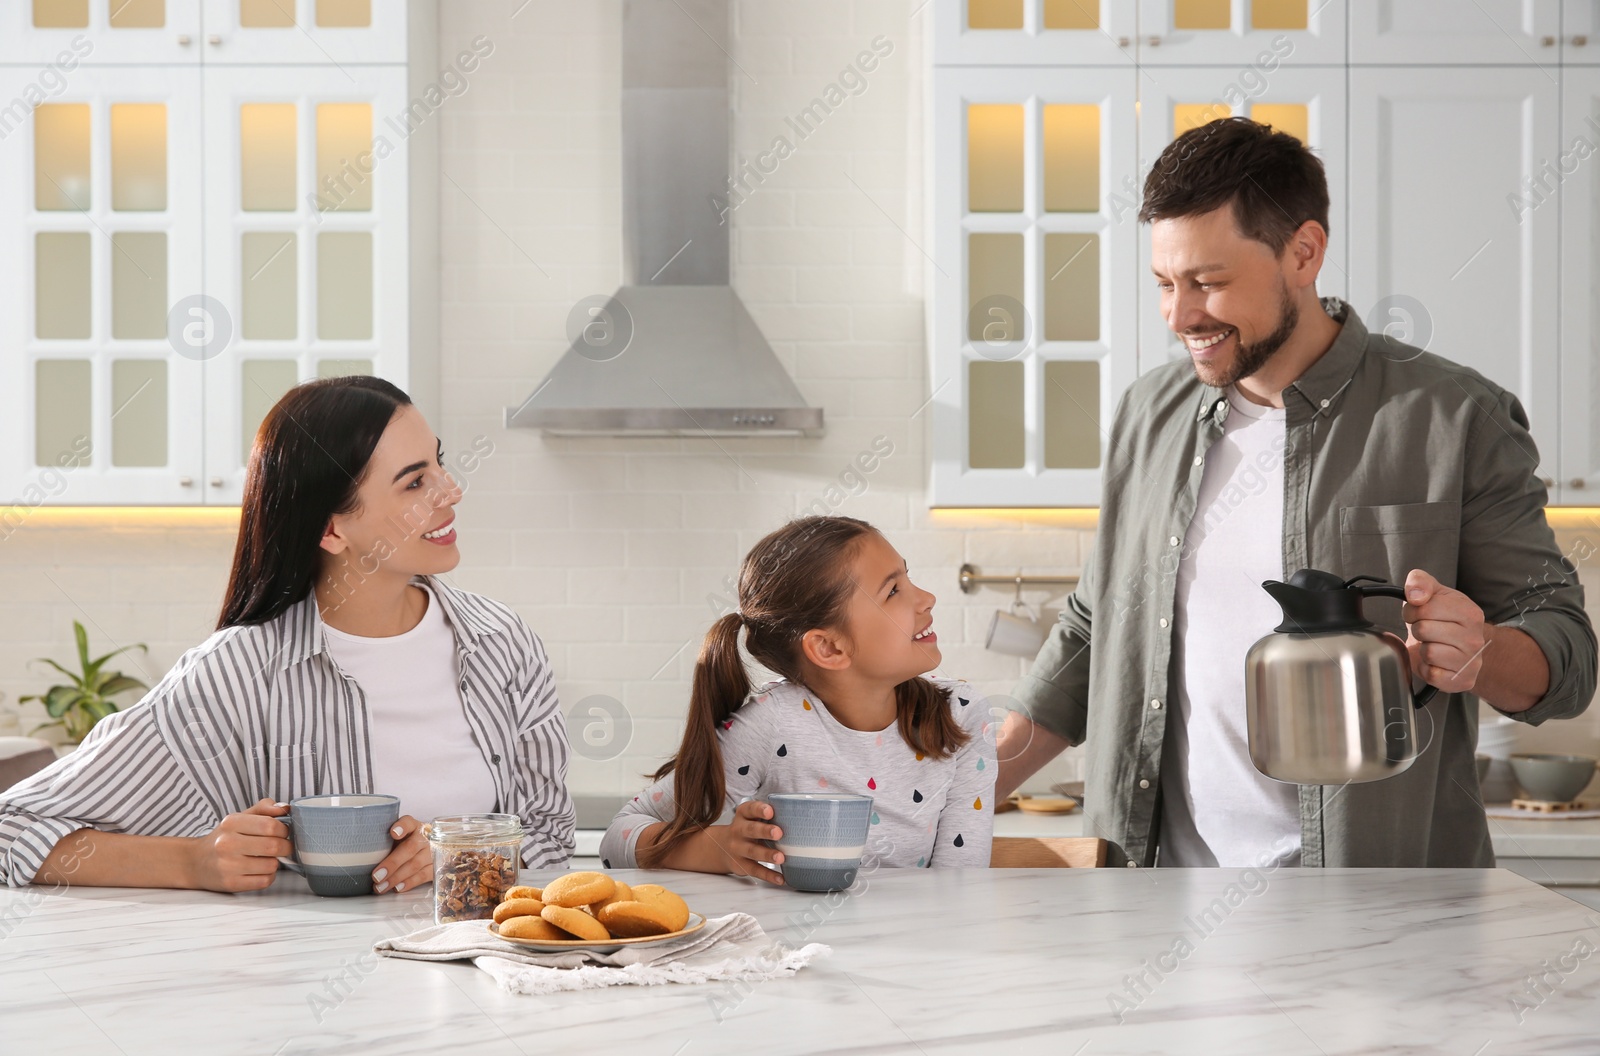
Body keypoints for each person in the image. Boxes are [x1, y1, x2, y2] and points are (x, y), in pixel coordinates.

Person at [995, 118, 1596, 869]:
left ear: (1303, 253)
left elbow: (1567, 650)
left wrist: (1485, 654)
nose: (1180, 316)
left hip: (1372, 912)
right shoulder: (1148, 413)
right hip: (1153, 907)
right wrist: (947, 793)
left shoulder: (1452, 416)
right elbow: (1094, 631)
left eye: (1209, 283)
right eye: (1165, 284)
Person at [0, 377, 575, 891]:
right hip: (297, 993)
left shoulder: (502, 642)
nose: (450, 491)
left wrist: (465, 853)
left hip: (480, 982)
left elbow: (550, 836)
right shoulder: (238, 672)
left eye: (439, 463)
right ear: (332, 530)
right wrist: (193, 863)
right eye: (414, 482)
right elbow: (12, 829)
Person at [602, 516, 994, 880]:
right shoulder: (771, 725)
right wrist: (713, 849)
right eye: (893, 591)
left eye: (908, 579)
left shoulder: (963, 716)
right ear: (829, 648)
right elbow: (619, 835)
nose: (926, 598)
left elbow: (961, 882)